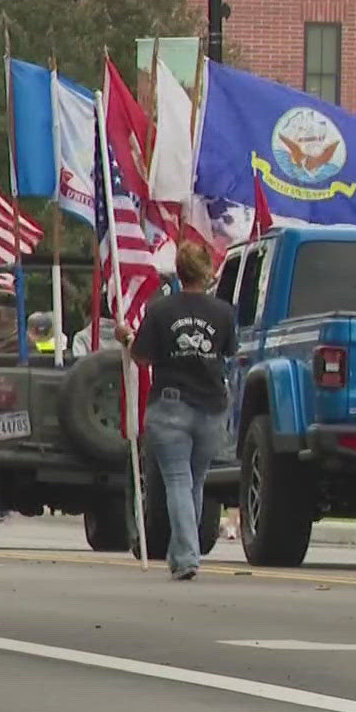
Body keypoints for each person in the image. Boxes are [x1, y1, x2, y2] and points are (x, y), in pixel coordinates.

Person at [117, 242, 237, 581]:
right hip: (212, 406)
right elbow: (228, 352)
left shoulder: (161, 310)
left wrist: (126, 337)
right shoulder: (224, 313)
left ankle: (186, 556)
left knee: (178, 481)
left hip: (170, 405)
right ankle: (183, 552)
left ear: (179, 271)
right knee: (194, 482)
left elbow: (141, 357)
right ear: (206, 271)